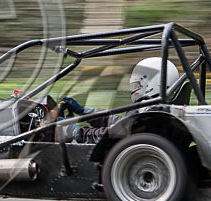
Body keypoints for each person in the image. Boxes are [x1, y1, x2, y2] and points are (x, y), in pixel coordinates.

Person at [49, 57, 179, 144]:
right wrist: (86, 112)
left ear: (153, 83)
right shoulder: (158, 109)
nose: (134, 89)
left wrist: (75, 132)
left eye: (138, 84)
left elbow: (110, 136)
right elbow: (120, 124)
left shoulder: (150, 114)